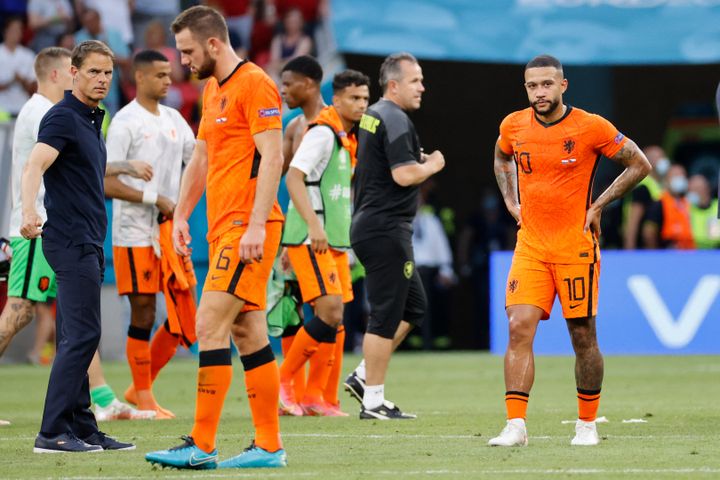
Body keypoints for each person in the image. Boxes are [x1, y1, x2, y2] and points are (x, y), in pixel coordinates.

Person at [145, 6, 286, 469]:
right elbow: (202, 156)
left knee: (208, 324)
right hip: (224, 225)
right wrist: (183, 214)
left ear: (212, 44)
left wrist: (253, 226)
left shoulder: (256, 83)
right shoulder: (212, 89)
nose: (182, 60)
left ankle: (201, 444)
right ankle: (268, 446)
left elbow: (272, 157)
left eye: (186, 51)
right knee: (247, 331)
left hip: (249, 224)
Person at [488, 54, 651, 447]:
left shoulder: (590, 126)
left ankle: (586, 424)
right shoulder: (513, 125)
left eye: (546, 84)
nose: (539, 92)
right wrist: (511, 201)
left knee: (582, 336)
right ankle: (516, 425)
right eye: (532, 86)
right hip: (530, 246)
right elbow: (501, 156)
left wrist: (598, 205)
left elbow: (639, 164)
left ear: (563, 85)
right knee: (518, 328)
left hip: (575, 247)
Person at [0, 46, 154, 424]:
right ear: (65, 74)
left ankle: (96, 404)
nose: (102, 79)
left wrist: (124, 166)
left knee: (78, 324)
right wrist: (32, 212)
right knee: (20, 313)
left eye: (107, 73)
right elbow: (37, 165)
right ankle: (63, 423)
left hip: (66, 228)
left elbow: (82, 162)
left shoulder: (84, 117)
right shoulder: (47, 113)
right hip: (41, 227)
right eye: (93, 72)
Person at [346, 52, 444, 420]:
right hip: (386, 229)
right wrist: (432, 163)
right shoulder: (396, 118)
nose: (422, 86)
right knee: (385, 316)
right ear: (393, 85)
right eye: (415, 80)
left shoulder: (374, 114)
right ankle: (373, 401)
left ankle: (362, 376)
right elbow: (404, 176)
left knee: (414, 307)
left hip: (374, 225)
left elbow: (386, 162)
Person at [104, 50, 198, 419]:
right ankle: (143, 395)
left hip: (168, 230)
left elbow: (198, 159)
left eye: (169, 74)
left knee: (183, 312)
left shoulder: (175, 118)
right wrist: (153, 197)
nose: (168, 80)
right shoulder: (125, 121)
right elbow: (106, 181)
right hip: (134, 232)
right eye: (160, 75)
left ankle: (139, 384)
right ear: (139, 78)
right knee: (143, 311)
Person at [279, 69, 370, 417]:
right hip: (310, 237)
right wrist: (314, 227)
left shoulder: (346, 137)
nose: (361, 105)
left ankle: (319, 396)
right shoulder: (322, 133)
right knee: (329, 311)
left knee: (339, 317)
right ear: (337, 99)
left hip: (333, 241)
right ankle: (283, 379)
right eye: (354, 98)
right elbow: (294, 177)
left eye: (364, 98)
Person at [276, 54, 325, 409]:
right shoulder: (293, 127)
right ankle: (289, 390)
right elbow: (275, 176)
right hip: (296, 228)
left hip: (329, 230)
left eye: (288, 82)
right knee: (293, 306)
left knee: (327, 310)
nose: (282, 90)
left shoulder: (335, 125)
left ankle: (319, 394)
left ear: (308, 84)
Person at [622, 145, 668, 249]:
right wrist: (629, 250)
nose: (664, 161)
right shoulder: (643, 187)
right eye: (659, 158)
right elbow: (632, 222)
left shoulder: (659, 185)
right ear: (648, 161)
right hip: (643, 249)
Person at [642, 164, 695, 249]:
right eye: (675, 176)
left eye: (682, 175)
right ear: (666, 180)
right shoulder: (659, 204)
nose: (679, 179)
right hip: (667, 254)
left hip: (690, 253)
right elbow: (649, 233)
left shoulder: (689, 203)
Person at [0, 16, 36, 116]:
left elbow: (33, 89)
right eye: (13, 29)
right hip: (2, 109)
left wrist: (21, 80)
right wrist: (11, 81)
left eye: (19, 29)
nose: (17, 32)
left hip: (22, 109)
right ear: (5, 31)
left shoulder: (28, 55)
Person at [687, 174, 720, 249]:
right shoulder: (685, 209)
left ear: (707, 189)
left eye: (697, 188)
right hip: (692, 253)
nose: (693, 192)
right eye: (690, 189)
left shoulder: (717, 206)